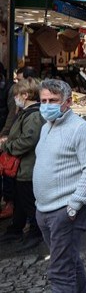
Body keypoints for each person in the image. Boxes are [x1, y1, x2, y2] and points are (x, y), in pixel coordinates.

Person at [33, 79, 86, 292]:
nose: (46, 105)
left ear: (68, 102)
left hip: (66, 210)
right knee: (69, 261)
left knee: (60, 272)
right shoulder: (46, 127)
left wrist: (73, 205)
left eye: (53, 100)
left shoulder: (83, 130)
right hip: (45, 209)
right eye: (43, 100)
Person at [0, 78, 45, 250]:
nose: (15, 99)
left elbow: (28, 140)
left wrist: (7, 145)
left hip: (28, 167)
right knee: (19, 200)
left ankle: (36, 232)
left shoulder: (33, 115)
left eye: (17, 95)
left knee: (28, 201)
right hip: (22, 168)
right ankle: (16, 229)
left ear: (25, 95)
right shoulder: (27, 112)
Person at [0, 63, 14, 219]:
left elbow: (11, 115)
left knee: (7, 169)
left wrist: (4, 135)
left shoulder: (10, 89)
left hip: (4, 135)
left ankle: (9, 202)